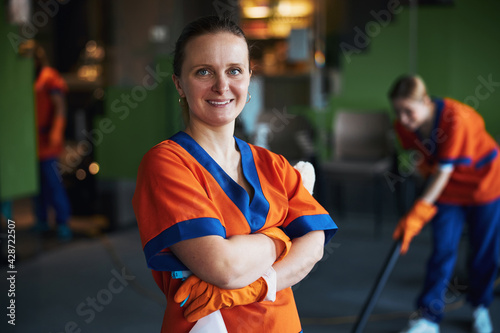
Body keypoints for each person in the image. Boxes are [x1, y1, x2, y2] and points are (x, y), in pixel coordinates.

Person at [132, 16, 338, 332]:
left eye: (234, 71)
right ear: (179, 84)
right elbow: (223, 267)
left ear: (249, 80)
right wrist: (282, 236)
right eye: (204, 72)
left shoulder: (274, 164)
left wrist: (260, 285)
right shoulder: (168, 163)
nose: (222, 85)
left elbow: (314, 245)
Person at [389, 75, 500, 333]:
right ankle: (428, 317)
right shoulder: (404, 126)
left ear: (425, 102)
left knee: (484, 252)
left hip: (484, 185)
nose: (403, 119)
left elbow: (443, 172)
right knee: (442, 250)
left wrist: (417, 213)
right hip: (449, 192)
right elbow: (422, 159)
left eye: (408, 111)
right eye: (398, 111)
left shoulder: (455, 118)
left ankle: (480, 306)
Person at [33, 44, 72, 241]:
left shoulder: (48, 77)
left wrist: (57, 131)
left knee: (52, 181)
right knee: (36, 184)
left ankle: (63, 221)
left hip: (47, 138)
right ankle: (41, 220)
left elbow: (60, 107)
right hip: (32, 141)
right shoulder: (29, 78)